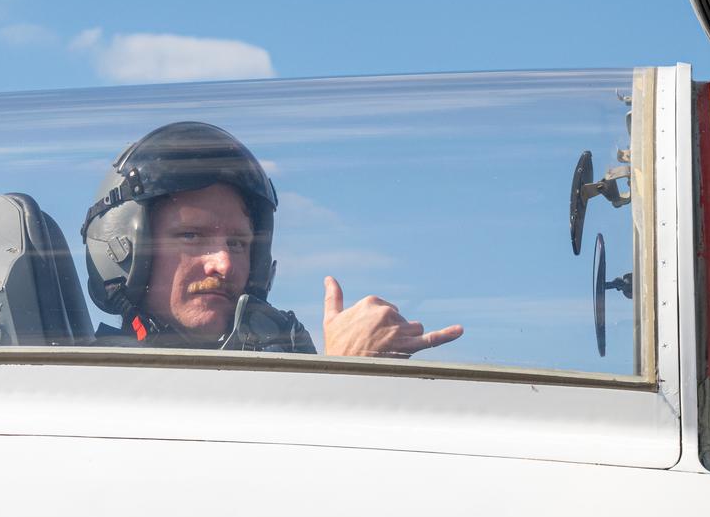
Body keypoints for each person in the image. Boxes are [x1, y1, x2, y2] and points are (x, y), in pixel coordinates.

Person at [80, 121, 463, 357]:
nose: (224, 264)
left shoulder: (269, 365)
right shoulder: (88, 387)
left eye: (238, 243)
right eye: (191, 236)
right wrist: (345, 375)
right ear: (123, 250)